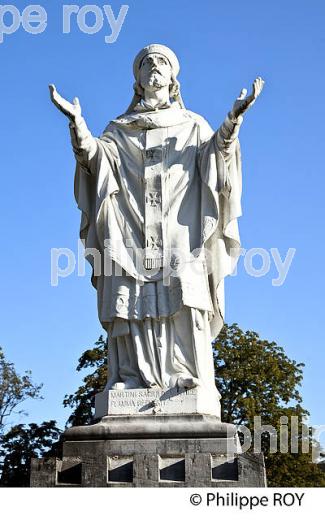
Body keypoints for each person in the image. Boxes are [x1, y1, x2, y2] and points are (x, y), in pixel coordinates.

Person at [49, 44, 264, 393]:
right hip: (129, 228)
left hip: (181, 230)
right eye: (146, 62)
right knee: (128, 296)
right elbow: (95, 161)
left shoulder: (192, 125)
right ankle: (130, 378)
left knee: (185, 295)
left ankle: (184, 374)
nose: (153, 66)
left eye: (161, 62)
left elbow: (216, 157)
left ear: (172, 77)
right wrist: (78, 126)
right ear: (137, 79)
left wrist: (233, 120)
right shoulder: (119, 130)